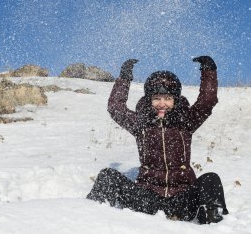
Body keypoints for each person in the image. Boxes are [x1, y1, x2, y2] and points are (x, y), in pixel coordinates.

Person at [86, 56, 228, 224]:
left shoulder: (186, 122)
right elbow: (115, 108)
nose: (162, 104)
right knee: (107, 176)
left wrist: (208, 71)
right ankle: (90, 219)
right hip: (148, 199)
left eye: (168, 98)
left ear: (175, 100)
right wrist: (124, 78)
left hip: (181, 201)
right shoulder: (141, 124)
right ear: (149, 100)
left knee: (211, 179)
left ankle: (213, 224)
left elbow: (207, 102)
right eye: (157, 98)